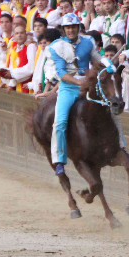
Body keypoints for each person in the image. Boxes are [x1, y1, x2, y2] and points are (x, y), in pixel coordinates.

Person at [49, 13, 102, 176]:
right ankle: (59, 159)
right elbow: (61, 73)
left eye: (73, 27)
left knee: (111, 111)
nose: (71, 30)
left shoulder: (88, 42)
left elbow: (97, 61)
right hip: (68, 88)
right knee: (60, 122)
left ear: (78, 28)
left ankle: (120, 145)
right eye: (68, 27)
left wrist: (107, 65)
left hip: (89, 85)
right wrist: (80, 82)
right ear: (64, 29)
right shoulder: (56, 46)